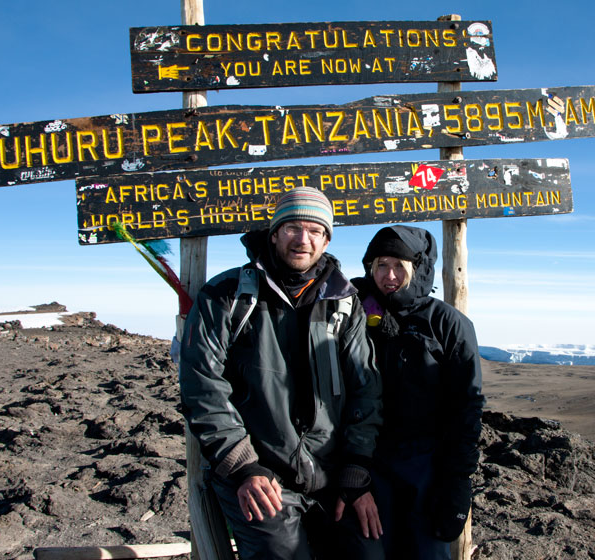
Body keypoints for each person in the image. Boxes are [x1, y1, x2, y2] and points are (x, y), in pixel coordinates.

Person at [179, 187, 384, 560]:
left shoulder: (344, 301)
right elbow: (202, 384)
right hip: (259, 473)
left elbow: (364, 388)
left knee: (368, 553)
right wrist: (243, 466)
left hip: (330, 475)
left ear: (326, 240)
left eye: (315, 231)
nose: (302, 240)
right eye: (292, 227)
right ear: (274, 233)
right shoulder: (227, 295)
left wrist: (355, 469)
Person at [352, 225, 484, 560]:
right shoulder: (353, 311)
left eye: (400, 265)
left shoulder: (446, 323)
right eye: (381, 265)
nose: (390, 275)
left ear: (418, 267)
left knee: (426, 551)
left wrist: (457, 481)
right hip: (369, 462)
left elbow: (467, 405)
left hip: (428, 466)